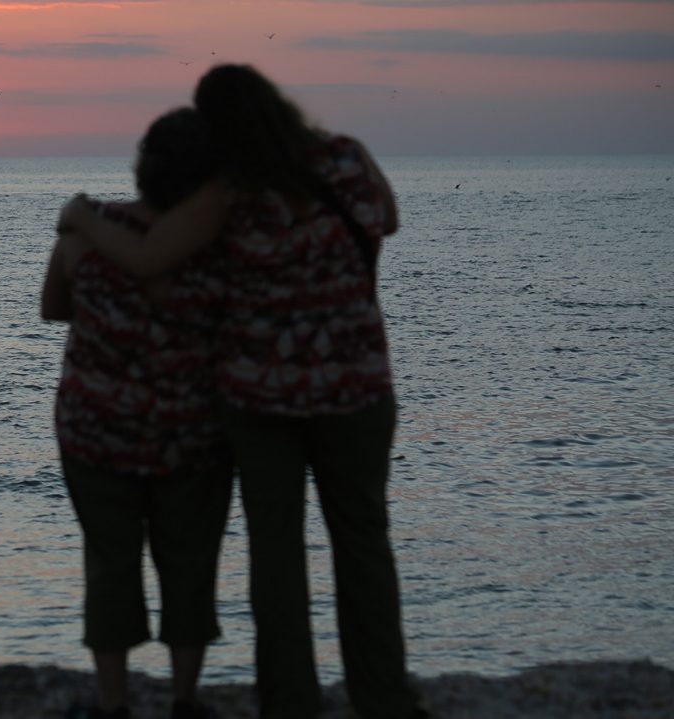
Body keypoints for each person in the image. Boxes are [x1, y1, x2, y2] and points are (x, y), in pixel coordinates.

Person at [58, 64, 427, 719]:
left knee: (277, 553)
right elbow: (388, 219)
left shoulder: (230, 191)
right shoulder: (347, 155)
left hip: (264, 402)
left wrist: (79, 218)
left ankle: (289, 705)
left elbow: (147, 259)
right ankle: (385, 700)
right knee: (364, 544)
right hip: (358, 389)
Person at [41, 107, 234, 719]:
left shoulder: (85, 235)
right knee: (190, 559)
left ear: (144, 166)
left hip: (95, 428)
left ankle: (114, 703)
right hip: (193, 433)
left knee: (110, 561)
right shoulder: (219, 245)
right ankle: (183, 700)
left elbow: (52, 308)